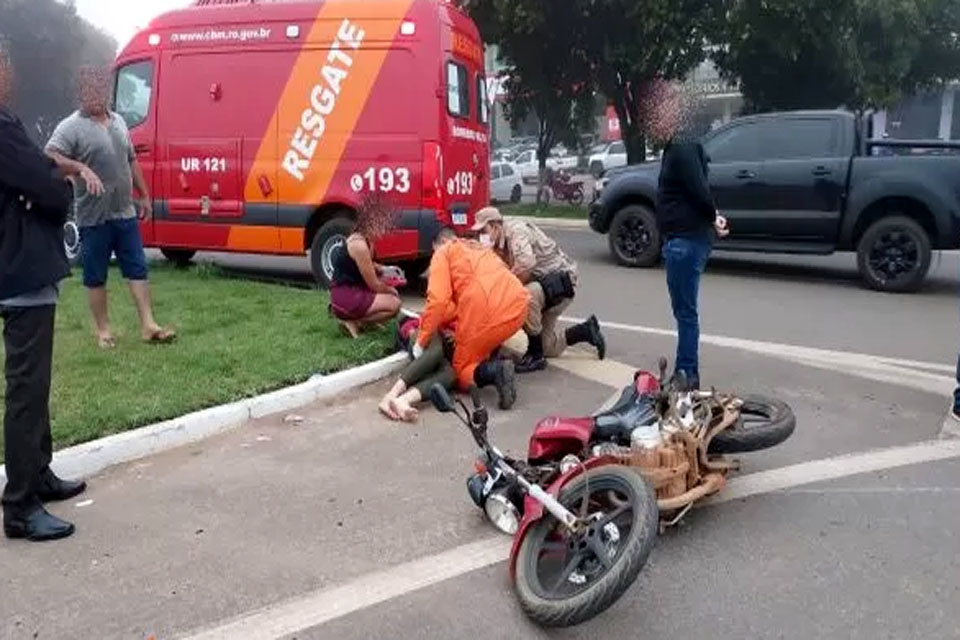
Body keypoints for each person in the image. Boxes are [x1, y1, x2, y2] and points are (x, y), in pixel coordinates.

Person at [0, 48, 87, 542]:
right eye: (6, 64)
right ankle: (20, 504)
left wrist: (44, 185)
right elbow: (49, 187)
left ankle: (40, 473)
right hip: (21, 270)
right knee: (27, 391)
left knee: (35, 386)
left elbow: (40, 181)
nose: (10, 73)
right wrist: (52, 188)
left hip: (22, 265)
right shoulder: (2, 126)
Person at [45, 66, 175, 349]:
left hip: (124, 212)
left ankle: (148, 325)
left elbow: (130, 160)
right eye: (88, 89)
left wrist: (144, 194)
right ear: (80, 93)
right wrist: (79, 168)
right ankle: (103, 331)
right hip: (94, 216)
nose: (95, 94)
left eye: (99, 88)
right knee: (96, 275)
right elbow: (50, 156)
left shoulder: (118, 121)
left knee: (137, 268)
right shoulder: (70, 127)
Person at [650, 80, 729, 390]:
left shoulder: (681, 146)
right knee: (684, 311)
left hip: (685, 241)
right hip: (685, 238)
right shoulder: (681, 145)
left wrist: (712, 217)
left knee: (685, 313)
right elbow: (697, 190)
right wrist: (715, 217)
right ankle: (687, 372)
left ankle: (687, 375)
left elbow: (698, 190)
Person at [472, 207, 606, 373]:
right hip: (545, 285)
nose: (481, 236)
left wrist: (505, 293)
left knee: (524, 296)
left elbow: (525, 266)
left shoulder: (515, 232)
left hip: (562, 283)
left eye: (483, 231)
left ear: (495, 226)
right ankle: (586, 330)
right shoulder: (498, 243)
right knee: (548, 347)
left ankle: (535, 357)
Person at [415, 228, 528, 410]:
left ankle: (495, 371)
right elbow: (455, 307)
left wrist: (420, 341)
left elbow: (438, 301)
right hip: (519, 305)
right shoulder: (475, 247)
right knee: (479, 344)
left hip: (487, 311)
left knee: (460, 370)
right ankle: (495, 364)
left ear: (438, 244)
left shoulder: (442, 253)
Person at [329, 198, 402, 338]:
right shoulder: (359, 245)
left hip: (354, 290)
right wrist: (391, 290)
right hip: (345, 295)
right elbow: (374, 284)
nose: (385, 227)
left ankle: (359, 318)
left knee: (388, 293)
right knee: (395, 304)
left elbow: (368, 265)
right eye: (383, 222)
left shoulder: (366, 239)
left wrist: (386, 269)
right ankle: (352, 319)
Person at [380, 316, 455, 423]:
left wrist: (457, 336)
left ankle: (402, 401)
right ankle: (391, 395)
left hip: (441, 357)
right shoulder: (448, 305)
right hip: (425, 335)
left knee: (451, 375)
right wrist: (412, 332)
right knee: (436, 350)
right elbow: (415, 321)